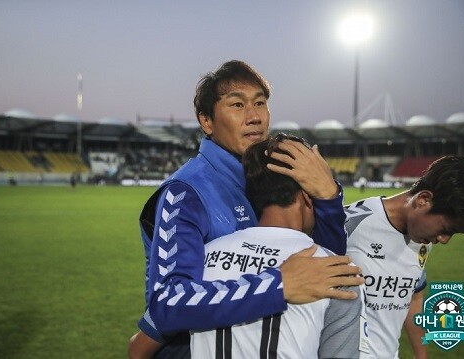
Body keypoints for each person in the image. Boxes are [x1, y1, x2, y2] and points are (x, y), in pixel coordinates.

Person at [128, 60, 363, 358]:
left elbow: (324, 270)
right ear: (207, 121)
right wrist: (277, 287)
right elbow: (168, 303)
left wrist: (328, 198)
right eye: (237, 105)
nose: (254, 117)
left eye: (260, 103)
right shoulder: (186, 193)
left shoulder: (264, 178)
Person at [191, 137, 370, 358]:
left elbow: (144, 341)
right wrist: (330, 198)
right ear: (307, 195)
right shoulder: (336, 274)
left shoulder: (202, 256)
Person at [344, 155, 464, 358]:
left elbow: (412, 296)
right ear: (423, 200)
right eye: (447, 230)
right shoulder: (349, 226)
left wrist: (421, 355)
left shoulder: (422, 237)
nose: (444, 240)